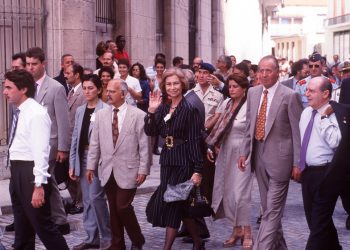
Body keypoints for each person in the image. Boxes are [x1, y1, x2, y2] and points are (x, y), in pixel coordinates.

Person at [238, 55, 303, 250]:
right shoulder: (253, 93)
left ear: (277, 72)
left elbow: (296, 132)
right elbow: (250, 124)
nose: (264, 74)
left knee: (272, 211)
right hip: (258, 159)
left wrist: (297, 163)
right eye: (261, 71)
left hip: (281, 161)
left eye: (269, 70)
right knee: (268, 210)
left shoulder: (289, 95)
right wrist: (244, 151)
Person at [3, 69, 69, 250]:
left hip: (30, 172)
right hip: (17, 170)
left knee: (44, 227)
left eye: (9, 87)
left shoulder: (36, 113)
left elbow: (41, 152)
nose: (4, 92)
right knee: (22, 227)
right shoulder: (21, 111)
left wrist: (38, 185)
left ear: (23, 89)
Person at [87, 79, 151, 250]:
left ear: (123, 94)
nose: (108, 94)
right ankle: (118, 244)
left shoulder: (138, 115)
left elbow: (145, 145)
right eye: (107, 91)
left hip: (130, 169)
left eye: (112, 91)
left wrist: (144, 169)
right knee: (113, 209)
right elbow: (95, 143)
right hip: (107, 169)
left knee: (122, 207)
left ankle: (137, 240)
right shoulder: (101, 115)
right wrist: (90, 166)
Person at [144, 67, 205, 250]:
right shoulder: (163, 108)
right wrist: (151, 112)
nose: (172, 87)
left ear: (182, 85)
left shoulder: (189, 109)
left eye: (176, 83)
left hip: (184, 162)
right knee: (180, 204)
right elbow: (151, 132)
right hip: (167, 161)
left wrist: (198, 170)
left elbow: (195, 141)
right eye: (169, 84)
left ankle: (166, 248)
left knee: (173, 203)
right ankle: (198, 240)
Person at [26, 47, 71, 234]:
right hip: (31, 144)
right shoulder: (26, 86)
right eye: (28, 64)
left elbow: (63, 121)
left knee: (47, 179)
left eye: (34, 64)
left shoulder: (55, 88)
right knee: (45, 180)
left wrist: (63, 148)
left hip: (50, 145)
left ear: (43, 64)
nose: (30, 68)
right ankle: (55, 219)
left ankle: (58, 220)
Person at [206, 73, 253, 249]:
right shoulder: (226, 103)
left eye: (235, 87)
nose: (231, 89)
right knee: (226, 192)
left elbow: (251, 132)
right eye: (230, 86)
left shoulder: (249, 106)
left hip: (242, 151)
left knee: (240, 194)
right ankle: (236, 229)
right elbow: (217, 127)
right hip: (225, 150)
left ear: (244, 89)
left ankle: (247, 231)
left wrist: (247, 152)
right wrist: (211, 146)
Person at [297, 76, 342, 249]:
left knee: (318, 224)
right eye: (306, 90)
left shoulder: (335, 113)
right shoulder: (306, 112)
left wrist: (324, 118)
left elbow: (336, 142)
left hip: (326, 173)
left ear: (325, 94)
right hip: (308, 173)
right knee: (316, 221)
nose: (306, 94)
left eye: (311, 91)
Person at [69, 74, 111, 250]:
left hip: (99, 160)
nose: (87, 91)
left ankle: (108, 236)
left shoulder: (105, 110)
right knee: (86, 199)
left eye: (90, 88)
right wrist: (72, 163)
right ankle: (91, 237)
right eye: (84, 88)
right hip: (83, 157)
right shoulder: (80, 110)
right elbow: (76, 137)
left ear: (99, 89)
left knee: (96, 197)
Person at [64, 62, 86, 215]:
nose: (65, 75)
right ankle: (74, 200)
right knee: (68, 174)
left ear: (77, 75)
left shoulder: (84, 93)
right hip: (67, 139)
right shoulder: (70, 91)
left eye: (68, 73)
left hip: (77, 139)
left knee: (77, 173)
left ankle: (80, 202)